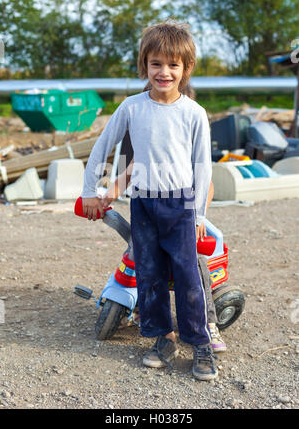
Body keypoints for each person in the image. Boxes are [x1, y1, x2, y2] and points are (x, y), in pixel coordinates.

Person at [81, 21, 218, 380]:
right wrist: (91, 192)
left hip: (181, 206)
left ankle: (200, 342)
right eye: (156, 63)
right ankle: (163, 337)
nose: (164, 72)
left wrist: (199, 214)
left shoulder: (194, 114)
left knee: (188, 276)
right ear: (145, 65)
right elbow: (103, 148)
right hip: (142, 204)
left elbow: (202, 167)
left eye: (173, 65)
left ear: (186, 68)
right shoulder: (131, 108)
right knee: (150, 275)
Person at [100, 163, 227, 353]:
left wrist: (198, 214)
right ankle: (141, 308)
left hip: (184, 219)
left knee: (196, 263)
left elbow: (207, 185)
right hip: (151, 220)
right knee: (141, 257)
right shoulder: (146, 153)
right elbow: (128, 174)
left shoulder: (183, 154)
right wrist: (105, 200)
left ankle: (208, 322)